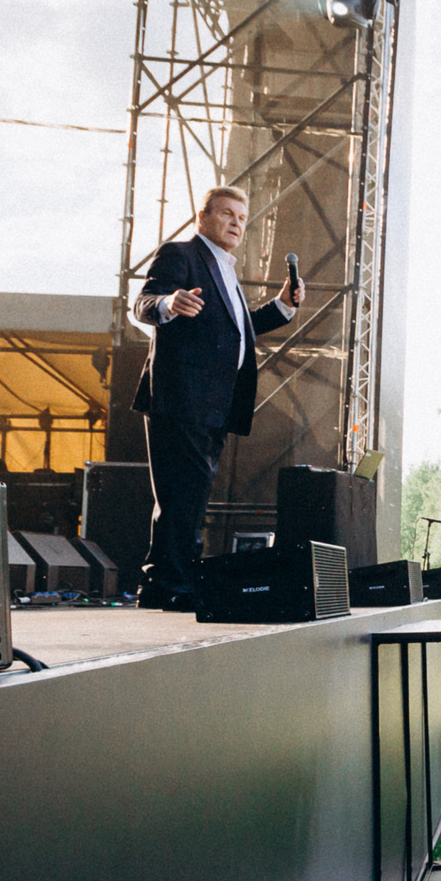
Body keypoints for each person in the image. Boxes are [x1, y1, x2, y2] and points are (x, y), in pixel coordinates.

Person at [129, 184, 301, 609]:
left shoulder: (225, 270)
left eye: (242, 218)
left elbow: (238, 328)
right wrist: (168, 302)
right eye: (226, 214)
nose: (236, 224)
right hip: (180, 397)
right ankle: (173, 584)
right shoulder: (181, 255)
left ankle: (164, 584)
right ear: (203, 216)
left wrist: (281, 307)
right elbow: (143, 303)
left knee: (189, 494)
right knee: (182, 494)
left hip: (212, 404)